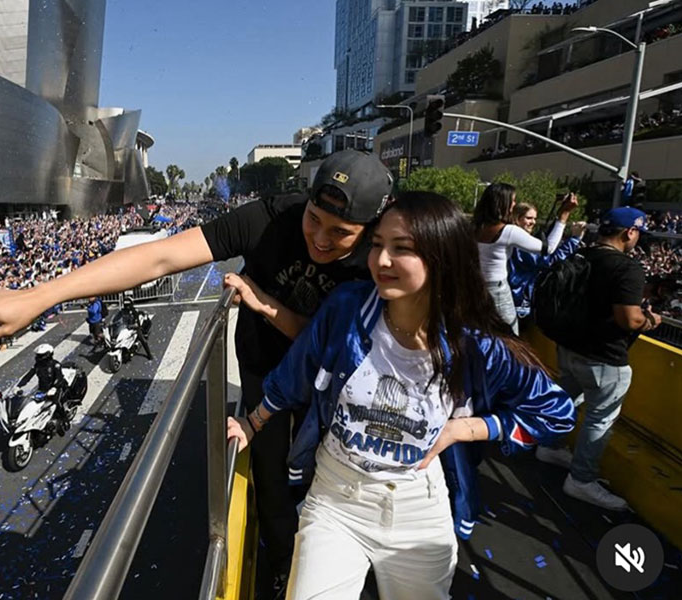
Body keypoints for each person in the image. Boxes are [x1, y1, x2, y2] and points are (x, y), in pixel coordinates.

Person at [0, 149, 395, 598]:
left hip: (336, 380)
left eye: (342, 233)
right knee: (272, 483)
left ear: (371, 232)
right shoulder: (270, 219)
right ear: (306, 200)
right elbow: (160, 258)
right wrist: (40, 296)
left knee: (334, 478)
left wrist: (264, 305)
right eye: (314, 218)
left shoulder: (379, 259)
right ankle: (280, 566)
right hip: (264, 368)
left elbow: (338, 348)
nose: (320, 238)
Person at [227, 192, 575, 600]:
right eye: (377, 245)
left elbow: (555, 412)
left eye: (401, 249)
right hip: (336, 501)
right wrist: (253, 422)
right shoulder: (349, 308)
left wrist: (464, 428)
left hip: (418, 510)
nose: (382, 260)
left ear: (441, 257)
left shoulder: (474, 341)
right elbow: (295, 373)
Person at [535, 207, 660, 511]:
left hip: (569, 348)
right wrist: (650, 320)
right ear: (629, 232)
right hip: (605, 358)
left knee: (569, 398)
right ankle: (581, 480)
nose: (637, 238)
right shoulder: (627, 268)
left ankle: (549, 446)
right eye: (637, 233)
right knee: (600, 418)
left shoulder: (582, 255)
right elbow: (627, 319)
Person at [473, 183, 576, 334]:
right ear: (503, 203)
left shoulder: (476, 227)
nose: (514, 205)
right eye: (512, 201)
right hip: (497, 289)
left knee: (482, 331)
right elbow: (548, 249)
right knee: (510, 335)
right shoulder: (508, 231)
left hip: (476, 286)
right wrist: (563, 217)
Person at [508, 202, 587, 320]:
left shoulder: (513, 237)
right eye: (528, 218)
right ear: (517, 218)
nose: (533, 222)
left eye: (535, 218)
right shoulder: (520, 243)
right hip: (519, 302)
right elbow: (550, 260)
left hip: (516, 299)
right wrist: (574, 239)